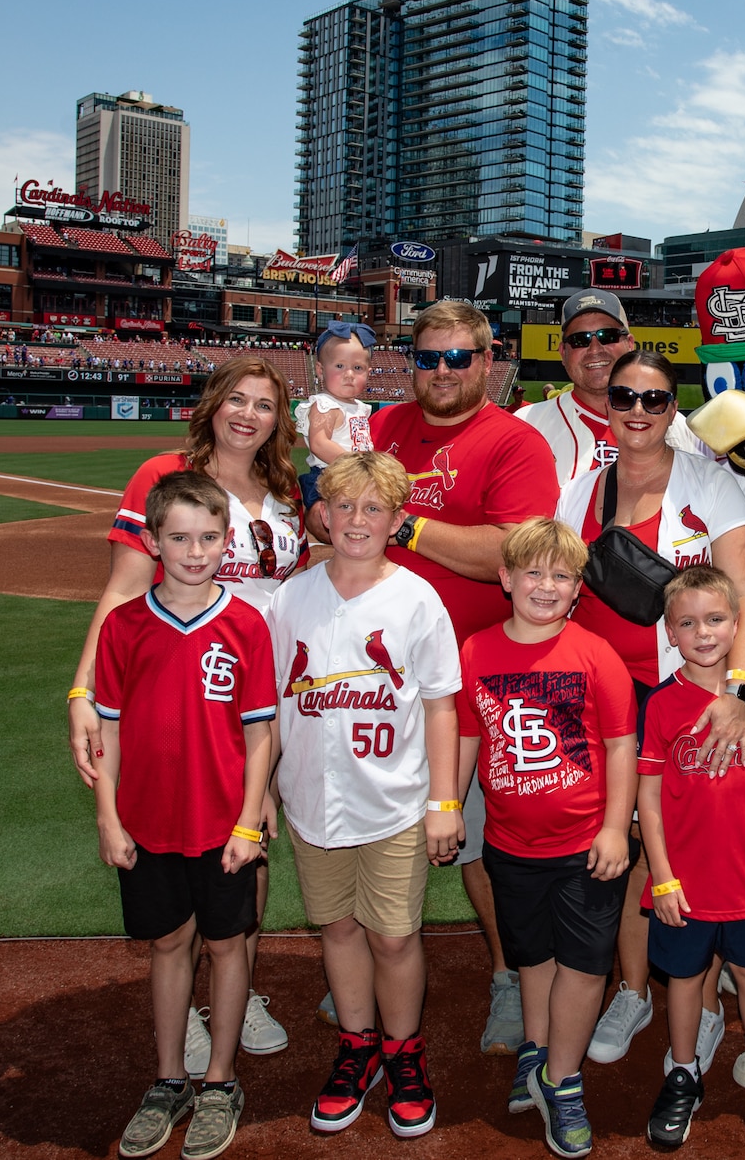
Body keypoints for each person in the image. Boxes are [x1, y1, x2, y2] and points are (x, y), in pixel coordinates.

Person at [70, 356, 305, 1073]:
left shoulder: (286, 489)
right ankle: (197, 1004)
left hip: (272, 690)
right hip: (191, 686)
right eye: (236, 398)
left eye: (264, 405)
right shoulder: (164, 474)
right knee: (189, 842)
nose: (248, 415)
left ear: (277, 419)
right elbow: (121, 590)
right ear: (213, 403)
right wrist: (82, 692)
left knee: (250, 842)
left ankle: (239, 984)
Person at [553, 351, 745, 1069]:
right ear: (605, 403)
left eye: (654, 399)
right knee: (617, 846)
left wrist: (738, 692)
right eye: (624, 397)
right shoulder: (579, 488)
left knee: (682, 845)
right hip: (598, 701)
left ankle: (697, 1003)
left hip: (687, 697)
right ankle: (636, 988)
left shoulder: (711, 483)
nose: (637, 411)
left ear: (674, 409)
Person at [368, 299, 561, 1054]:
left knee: (483, 841)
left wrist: (404, 520)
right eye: (428, 357)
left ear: (488, 362)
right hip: (382, 670)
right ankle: (378, 953)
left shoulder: (512, 442)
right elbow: (338, 516)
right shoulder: (383, 429)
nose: (442, 371)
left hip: (480, 675)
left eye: (457, 357)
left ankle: (509, 972)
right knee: (377, 820)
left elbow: (515, 554)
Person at [266, 453, 462, 1139]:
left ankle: (404, 1050)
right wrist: (260, 789)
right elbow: (266, 708)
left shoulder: (416, 598)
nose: (356, 520)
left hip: (394, 802)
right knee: (339, 928)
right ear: (323, 513)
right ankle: (358, 1045)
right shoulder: (290, 597)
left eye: (373, 508)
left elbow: (441, 706)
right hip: (311, 802)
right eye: (343, 506)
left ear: (397, 520)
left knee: (394, 934)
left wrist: (445, 800)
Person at [95, 472, 277, 1160]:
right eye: (178, 537)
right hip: (147, 821)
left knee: (228, 945)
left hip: (223, 822)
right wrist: (108, 818)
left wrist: (249, 824)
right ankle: (169, 1076)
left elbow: (260, 734)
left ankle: (221, 1079)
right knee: (169, 944)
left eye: (207, 537)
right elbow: (107, 732)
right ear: (153, 540)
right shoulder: (125, 624)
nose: (194, 550)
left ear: (226, 541)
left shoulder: (245, 623)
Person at [456, 518, 636, 1160]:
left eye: (561, 575)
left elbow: (621, 746)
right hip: (511, 846)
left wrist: (617, 827)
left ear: (578, 588)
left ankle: (563, 1081)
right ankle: (537, 1052)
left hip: (586, 845)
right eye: (532, 572)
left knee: (584, 966)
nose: (546, 585)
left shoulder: (594, 654)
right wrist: (449, 803)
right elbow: (467, 735)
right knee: (532, 958)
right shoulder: (475, 652)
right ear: (505, 578)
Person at [639, 565, 745, 1154]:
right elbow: (648, 798)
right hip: (684, 882)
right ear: (670, 633)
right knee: (683, 981)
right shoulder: (660, 705)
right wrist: (660, 876)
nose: (703, 633)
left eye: (715, 619)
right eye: (688, 623)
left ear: (737, 626)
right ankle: (683, 1073)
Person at [516, 288, 694, 487]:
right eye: (579, 340)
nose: (594, 349)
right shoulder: (526, 426)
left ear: (630, 343)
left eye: (607, 336)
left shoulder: (676, 426)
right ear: (563, 352)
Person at [295, 321, 376, 535]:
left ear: (368, 372)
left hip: (354, 476)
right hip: (329, 476)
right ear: (321, 370)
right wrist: (359, 464)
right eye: (339, 366)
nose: (349, 374)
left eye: (357, 368)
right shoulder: (325, 405)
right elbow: (319, 443)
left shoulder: (359, 408)